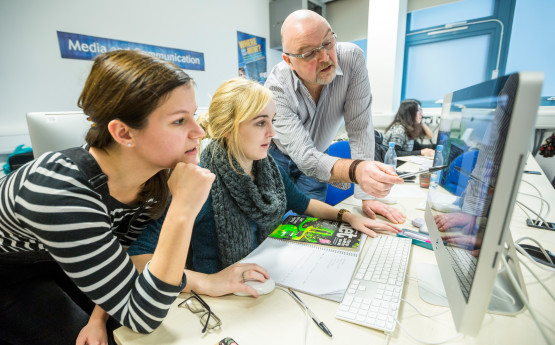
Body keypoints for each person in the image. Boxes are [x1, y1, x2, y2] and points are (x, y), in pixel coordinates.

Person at [0, 50, 266, 345]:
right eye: (179, 121)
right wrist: (183, 209)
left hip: (69, 255)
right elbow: (143, 316)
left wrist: (98, 316)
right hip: (13, 273)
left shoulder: (152, 174)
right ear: (124, 133)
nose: (199, 131)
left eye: (193, 115)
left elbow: (125, 262)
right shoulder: (57, 194)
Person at [128, 78, 402, 275]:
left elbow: (303, 203)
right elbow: (140, 258)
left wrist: (349, 217)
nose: (272, 132)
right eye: (261, 123)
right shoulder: (200, 183)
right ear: (228, 129)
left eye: (272, 120)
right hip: (221, 298)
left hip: (263, 276)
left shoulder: (267, 167)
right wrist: (208, 284)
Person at [264, 9, 405, 224]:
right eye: (309, 53)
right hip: (279, 157)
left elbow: (360, 128)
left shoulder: (352, 58)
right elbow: (304, 157)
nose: (325, 57)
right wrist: (357, 171)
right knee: (274, 226)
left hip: (320, 155)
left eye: (328, 43)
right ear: (289, 61)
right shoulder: (276, 88)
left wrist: (366, 196)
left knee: (309, 225)